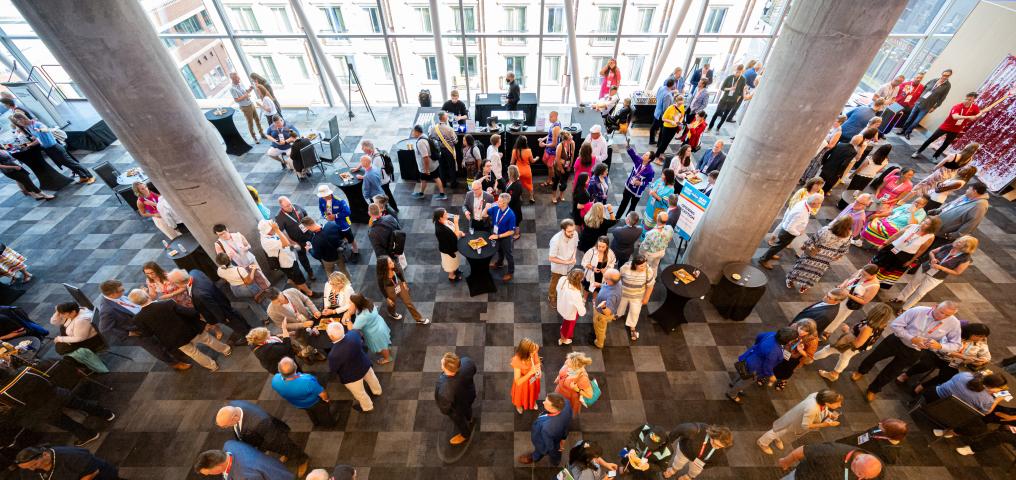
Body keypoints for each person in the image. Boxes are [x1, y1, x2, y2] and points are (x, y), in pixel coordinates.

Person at [851, 301, 962, 401]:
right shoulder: (917, 311)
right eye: (941, 312)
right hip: (897, 341)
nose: (942, 316)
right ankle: (861, 371)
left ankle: (873, 389)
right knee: (874, 357)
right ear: (935, 306)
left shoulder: (954, 323)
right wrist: (912, 338)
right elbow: (895, 325)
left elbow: (956, 345)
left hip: (915, 351)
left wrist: (940, 346)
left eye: (947, 315)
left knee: (892, 371)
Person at [128, 289, 231, 371]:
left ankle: (212, 366)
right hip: (189, 329)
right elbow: (188, 313)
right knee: (209, 340)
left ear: (136, 303)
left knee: (194, 353)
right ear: (147, 296)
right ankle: (226, 350)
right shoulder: (167, 303)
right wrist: (197, 315)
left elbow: (148, 333)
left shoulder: (138, 318)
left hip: (173, 340)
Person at [96, 279, 189, 369]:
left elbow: (128, 305)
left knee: (163, 338)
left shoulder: (116, 297)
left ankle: (178, 353)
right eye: (121, 290)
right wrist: (128, 333)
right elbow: (104, 329)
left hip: (144, 320)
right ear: (112, 294)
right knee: (155, 347)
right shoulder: (107, 310)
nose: (124, 291)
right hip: (136, 330)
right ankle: (174, 363)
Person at [215, 401, 309, 475]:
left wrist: (260, 450)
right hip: (264, 433)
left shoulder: (258, 422)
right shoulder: (232, 406)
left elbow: (271, 439)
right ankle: (287, 454)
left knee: (286, 447)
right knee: (283, 450)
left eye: (226, 425)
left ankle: (302, 459)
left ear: (235, 418)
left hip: (273, 438)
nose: (225, 428)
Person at [903, 322, 991, 395]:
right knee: (925, 365)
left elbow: (986, 355)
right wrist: (964, 357)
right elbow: (943, 349)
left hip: (954, 362)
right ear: (970, 333)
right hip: (937, 355)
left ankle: (921, 387)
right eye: (979, 336)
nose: (981, 339)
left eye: (983, 337)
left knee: (948, 376)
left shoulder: (981, 341)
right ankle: (905, 375)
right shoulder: (955, 334)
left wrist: (982, 361)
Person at [168, 269, 251, 346]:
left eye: (174, 283)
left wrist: (223, 319)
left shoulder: (198, 293)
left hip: (221, 310)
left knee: (233, 322)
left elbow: (214, 308)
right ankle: (247, 327)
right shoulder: (194, 272)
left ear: (179, 283)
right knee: (235, 314)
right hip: (221, 299)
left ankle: (247, 336)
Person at [815, 303, 896, 382]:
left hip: (851, 345)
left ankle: (810, 357)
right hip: (859, 347)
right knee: (844, 357)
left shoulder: (868, 328)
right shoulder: (881, 324)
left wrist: (847, 331)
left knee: (829, 349)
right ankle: (834, 374)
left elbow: (857, 344)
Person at [892, 236, 976, 311]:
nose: (957, 242)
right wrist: (932, 258)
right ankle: (900, 298)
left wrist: (941, 268)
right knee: (912, 284)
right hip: (926, 267)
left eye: (960, 242)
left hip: (937, 276)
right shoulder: (950, 246)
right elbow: (932, 252)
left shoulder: (965, 258)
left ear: (965, 247)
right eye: (959, 240)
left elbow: (957, 272)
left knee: (920, 292)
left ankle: (905, 308)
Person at [9, 113, 93, 184]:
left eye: (18, 121)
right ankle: (83, 176)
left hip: (55, 147)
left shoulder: (36, 124)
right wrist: (32, 142)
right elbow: (38, 138)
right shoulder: (30, 127)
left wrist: (40, 130)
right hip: (48, 148)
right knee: (66, 163)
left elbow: (46, 129)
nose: (19, 124)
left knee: (71, 163)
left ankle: (90, 176)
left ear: (22, 118)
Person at [757, 389, 843, 455]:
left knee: (782, 432)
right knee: (777, 431)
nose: (840, 405)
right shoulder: (812, 409)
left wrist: (829, 414)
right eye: (837, 403)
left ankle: (777, 438)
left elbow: (824, 409)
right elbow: (806, 426)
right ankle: (762, 443)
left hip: (796, 419)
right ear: (827, 403)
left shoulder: (819, 396)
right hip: (793, 422)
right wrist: (825, 424)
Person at [726, 326, 798, 404]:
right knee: (745, 382)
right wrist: (771, 375)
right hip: (755, 368)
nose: (793, 341)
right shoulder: (774, 352)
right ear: (788, 341)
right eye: (793, 340)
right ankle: (732, 394)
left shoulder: (772, 334)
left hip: (750, 357)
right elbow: (767, 366)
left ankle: (733, 383)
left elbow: (759, 336)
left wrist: (758, 346)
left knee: (741, 372)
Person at [785, 216, 852, 293]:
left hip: (814, 252)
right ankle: (804, 286)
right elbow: (843, 250)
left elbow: (813, 239)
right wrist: (836, 257)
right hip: (827, 257)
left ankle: (790, 280)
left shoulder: (826, 230)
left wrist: (805, 246)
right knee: (815, 272)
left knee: (802, 266)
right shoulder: (848, 237)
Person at [870, 216, 940, 289]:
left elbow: (921, 250)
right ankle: (867, 278)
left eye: (927, 224)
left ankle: (876, 286)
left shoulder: (930, 237)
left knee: (889, 271)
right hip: (891, 249)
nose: (923, 224)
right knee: (877, 264)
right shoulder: (912, 226)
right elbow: (896, 235)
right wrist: (884, 244)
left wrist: (911, 261)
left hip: (904, 256)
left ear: (932, 227)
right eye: (924, 221)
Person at [326, 323, 382, 413]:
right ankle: (377, 391)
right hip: (364, 364)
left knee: (360, 393)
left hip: (351, 376)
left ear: (331, 336)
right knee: (372, 379)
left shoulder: (333, 354)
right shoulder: (353, 334)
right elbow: (357, 334)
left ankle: (368, 407)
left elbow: (334, 369)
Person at [759, 194, 823, 270]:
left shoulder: (805, 202)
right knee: (778, 246)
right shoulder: (801, 213)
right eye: (819, 203)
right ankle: (763, 259)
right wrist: (799, 233)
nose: (820, 205)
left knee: (779, 246)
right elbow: (790, 228)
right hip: (787, 233)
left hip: (788, 231)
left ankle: (770, 254)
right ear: (813, 203)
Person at [913, 92, 982, 159]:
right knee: (931, 139)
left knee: (945, 144)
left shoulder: (974, 107)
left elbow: (978, 115)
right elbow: (955, 116)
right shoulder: (957, 106)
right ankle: (918, 151)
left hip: (956, 130)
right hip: (945, 127)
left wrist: (978, 115)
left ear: (973, 100)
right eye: (966, 99)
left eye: (970, 100)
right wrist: (968, 117)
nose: (967, 101)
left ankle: (935, 156)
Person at [272, 357, 334, 426]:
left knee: (310, 412)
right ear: (295, 367)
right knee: (323, 413)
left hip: (299, 404)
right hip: (314, 402)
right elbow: (322, 394)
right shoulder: (307, 380)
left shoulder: (275, 380)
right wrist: (327, 399)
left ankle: (316, 422)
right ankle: (329, 424)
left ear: (279, 370)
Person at [259, 220, 314, 297]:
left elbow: (283, 236)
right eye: (273, 229)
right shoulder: (267, 241)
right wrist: (277, 230)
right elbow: (285, 243)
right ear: (267, 230)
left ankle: (299, 288)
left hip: (289, 259)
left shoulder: (270, 234)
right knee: (298, 278)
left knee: (295, 277)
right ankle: (309, 293)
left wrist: (292, 243)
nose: (275, 229)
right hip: (286, 263)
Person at [265, 287, 321, 361]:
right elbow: (282, 325)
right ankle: (307, 354)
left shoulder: (292, 291)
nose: (280, 303)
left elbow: (306, 299)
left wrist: (315, 311)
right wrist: (302, 325)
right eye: (276, 302)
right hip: (297, 330)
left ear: (281, 292)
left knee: (315, 335)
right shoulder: (271, 311)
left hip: (307, 317)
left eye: (279, 300)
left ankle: (313, 351)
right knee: (304, 343)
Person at [927, 183, 990, 249]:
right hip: (936, 225)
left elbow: (971, 224)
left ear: (974, 191)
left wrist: (953, 235)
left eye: (969, 188)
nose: (967, 190)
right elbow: (950, 204)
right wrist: (937, 210)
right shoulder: (966, 196)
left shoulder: (980, 206)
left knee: (930, 248)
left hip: (943, 234)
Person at [517, 393, 572, 466]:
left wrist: (553, 451)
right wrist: (563, 438)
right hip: (557, 434)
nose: (543, 402)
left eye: (546, 403)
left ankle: (537, 458)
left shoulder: (547, 428)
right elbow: (566, 424)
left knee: (544, 450)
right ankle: (555, 459)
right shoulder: (567, 403)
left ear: (553, 409)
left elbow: (549, 446)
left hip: (543, 442)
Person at [777, 442, 883, 480]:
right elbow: (802, 450)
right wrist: (786, 461)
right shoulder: (832, 452)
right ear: (855, 460)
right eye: (860, 474)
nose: (861, 477)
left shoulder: (874, 465)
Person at [435, 352, 477, 445]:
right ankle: (469, 418)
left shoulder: (445, 389)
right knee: (468, 408)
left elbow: (445, 409)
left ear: (446, 368)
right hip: (469, 395)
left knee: (460, 421)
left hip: (457, 408)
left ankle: (465, 434)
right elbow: (474, 369)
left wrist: (448, 412)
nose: (441, 362)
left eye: (442, 363)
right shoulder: (467, 362)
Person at [663, 424, 733, 479]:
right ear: (712, 435)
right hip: (685, 451)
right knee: (678, 461)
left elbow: (715, 461)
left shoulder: (724, 446)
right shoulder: (696, 430)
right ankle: (673, 469)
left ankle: (689, 476)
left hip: (700, 461)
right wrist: (669, 442)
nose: (716, 447)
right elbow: (679, 429)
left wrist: (704, 466)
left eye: (720, 446)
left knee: (695, 471)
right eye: (715, 443)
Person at [194, 441, 295, 480]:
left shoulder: (244, 475)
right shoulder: (229, 444)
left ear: (218, 466)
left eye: (210, 473)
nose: (210, 475)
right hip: (274, 466)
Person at [374, 254, 428, 325]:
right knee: (392, 304)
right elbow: (381, 287)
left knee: (408, 302)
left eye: (391, 261)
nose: (392, 263)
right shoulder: (381, 276)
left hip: (398, 284)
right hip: (389, 289)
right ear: (384, 266)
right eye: (390, 263)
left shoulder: (394, 266)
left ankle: (419, 318)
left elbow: (399, 273)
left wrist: (403, 282)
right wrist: (387, 298)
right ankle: (392, 313)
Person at [899, 69, 953, 139]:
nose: (945, 77)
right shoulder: (933, 80)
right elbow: (923, 89)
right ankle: (903, 130)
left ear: (950, 76)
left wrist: (935, 107)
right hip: (919, 102)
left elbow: (942, 98)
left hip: (928, 106)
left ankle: (908, 132)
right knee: (910, 118)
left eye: (947, 75)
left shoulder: (947, 86)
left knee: (916, 121)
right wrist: (917, 99)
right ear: (942, 73)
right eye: (944, 75)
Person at [14, 445, 120, 480]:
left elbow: (94, 472)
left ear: (45, 454)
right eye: (26, 468)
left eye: (34, 465)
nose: (32, 469)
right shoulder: (27, 470)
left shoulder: (73, 456)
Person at [275, 196, 317, 282]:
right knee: (302, 257)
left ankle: (321, 260)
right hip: (297, 240)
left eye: (290, 204)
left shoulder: (297, 206)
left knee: (316, 248)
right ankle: (310, 272)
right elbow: (282, 233)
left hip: (308, 234)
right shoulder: (279, 217)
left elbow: (306, 215)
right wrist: (292, 242)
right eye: (287, 206)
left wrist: (311, 227)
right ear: (281, 207)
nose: (290, 207)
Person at [860, 196, 928, 248]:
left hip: (896, 227)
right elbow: (891, 212)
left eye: (919, 203)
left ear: (923, 205)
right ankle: (862, 239)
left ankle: (869, 244)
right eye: (915, 201)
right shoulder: (907, 205)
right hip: (887, 220)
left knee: (875, 226)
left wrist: (912, 212)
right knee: (873, 219)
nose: (916, 204)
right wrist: (878, 215)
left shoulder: (922, 213)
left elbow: (912, 223)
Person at [342, 294, 392, 364]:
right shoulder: (367, 301)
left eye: (351, 302)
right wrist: (351, 311)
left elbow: (352, 330)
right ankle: (387, 348)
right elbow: (353, 311)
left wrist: (347, 319)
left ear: (356, 304)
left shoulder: (363, 316)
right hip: (379, 324)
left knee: (381, 347)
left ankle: (387, 358)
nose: (349, 303)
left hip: (375, 333)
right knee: (383, 342)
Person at [772, 319, 820, 391]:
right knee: (776, 362)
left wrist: (801, 350)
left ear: (810, 332)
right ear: (798, 325)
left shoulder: (813, 340)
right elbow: (785, 333)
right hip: (785, 349)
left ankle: (783, 380)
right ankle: (769, 373)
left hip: (794, 358)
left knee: (788, 370)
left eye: (806, 331)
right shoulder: (794, 326)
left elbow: (809, 356)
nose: (801, 332)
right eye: (800, 328)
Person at [835, 419, 909, 465]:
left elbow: (883, 462)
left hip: (857, 452)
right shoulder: (882, 430)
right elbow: (870, 432)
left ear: (889, 433)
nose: (879, 424)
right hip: (854, 441)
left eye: (883, 426)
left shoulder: (889, 451)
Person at [617, 254, 655, 342]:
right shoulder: (626, 267)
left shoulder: (648, 271)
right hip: (623, 293)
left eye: (645, 265)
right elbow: (618, 277)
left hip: (637, 296)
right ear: (635, 265)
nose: (644, 267)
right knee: (620, 306)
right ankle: (618, 314)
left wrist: (646, 298)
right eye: (642, 266)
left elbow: (650, 285)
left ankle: (632, 327)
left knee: (635, 312)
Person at [358, 140, 398, 212]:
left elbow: (374, 173)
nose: (362, 150)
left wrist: (363, 177)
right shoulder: (372, 152)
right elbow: (366, 159)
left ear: (368, 148)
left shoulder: (377, 159)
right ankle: (392, 208)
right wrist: (357, 168)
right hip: (381, 179)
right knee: (387, 194)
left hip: (383, 181)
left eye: (363, 148)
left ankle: (392, 209)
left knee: (386, 195)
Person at [548, 218, 579, 310]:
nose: (572, 233)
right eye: (569, 231)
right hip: (558, 267)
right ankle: (551, 296)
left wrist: (574, 257)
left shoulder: (575, 234)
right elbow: (551, 258)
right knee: (555, 281)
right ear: (563, 230)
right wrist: (566, 262)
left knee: (565, 280)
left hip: (569, 265)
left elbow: (575, 246)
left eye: (573, 230)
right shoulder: (556, 240)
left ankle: (561, 294)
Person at [410, 125, 448, 200]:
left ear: (417, 132)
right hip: (434, 163)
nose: (412, 133)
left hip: (427, 166)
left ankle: (423, 194)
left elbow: (425, 156)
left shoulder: (420, 142)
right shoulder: (424, 136)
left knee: (426, 179)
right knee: (434, 178)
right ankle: (441, 194)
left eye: (413, 131)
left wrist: (426, 169)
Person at [618, 148, 656, 217]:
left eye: (646, 155)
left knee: (632, 207)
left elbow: (649, 182)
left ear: (649, 159)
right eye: (645, 154)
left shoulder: (650, 171)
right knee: (623, 203)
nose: (644, 155)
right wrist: (628, 147)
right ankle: (617, 218)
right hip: (628, 187)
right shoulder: (638, 160)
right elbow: (633, 154)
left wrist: (640, 183)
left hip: (637, 192)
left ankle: (628, 221)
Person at [488, 193, 517, 282]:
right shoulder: (496, 208)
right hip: (496, 235)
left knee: (509, 255)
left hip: (505, 237)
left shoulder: (511, 215)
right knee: (499, 250)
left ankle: (510, 272)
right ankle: (500, 263)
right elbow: (486, 214)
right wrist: (486, 207)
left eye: (499, 201)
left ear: (504, 203)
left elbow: (512, 231)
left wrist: (498, 236)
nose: (497, 201)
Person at [590, 268, 621, 349]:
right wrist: (600, 285)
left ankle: (599, 343)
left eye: (605, 277)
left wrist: (603, 306)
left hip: (601, 314)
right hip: (601, 310)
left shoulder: (612, 296)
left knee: (599, 328)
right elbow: (607, 285)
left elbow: (607, 313)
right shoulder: (617, 282)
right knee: (602, 327)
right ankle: (601, 335)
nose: (604, 277)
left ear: (610, 281)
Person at [708, 64, 745, 132]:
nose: (738, 73)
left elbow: (741, 92)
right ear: (735, 70)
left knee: (725, 115)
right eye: (737, 71)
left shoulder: (743, 79)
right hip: (724, 98)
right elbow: (722, 88)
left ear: (742, 71)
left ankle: (718, 127)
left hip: (732, 100)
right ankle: (710, 126)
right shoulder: (729, 77)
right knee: (717, 112)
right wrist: (730, 88)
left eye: (740, 72)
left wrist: (736, 100)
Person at [510, 338, 542, 414]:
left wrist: (539, 371)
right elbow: (518, 381)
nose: (535, 353)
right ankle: (519, 405)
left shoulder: (533, 351)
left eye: (535, 351)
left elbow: (537, 362)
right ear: (525, 352)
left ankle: (532, 401)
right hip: (523, 382)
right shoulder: (517, 360)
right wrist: (530, 373)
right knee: (520, 395)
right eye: (532, 352)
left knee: (533, 392)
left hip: (533, 379)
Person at [556, 268, 587, 345]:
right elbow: (581, 310)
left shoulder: (563, 279)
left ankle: (563, 328)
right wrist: (583, 310)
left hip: (561, 304)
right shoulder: (575, 293)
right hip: (570, 312)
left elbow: (557, 289)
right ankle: (564, 339)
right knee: (568, 326)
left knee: (565, 321)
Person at [433, 208, 465, 282]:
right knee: (451, 264)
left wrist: (460, 232)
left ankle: (456, 270)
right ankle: (452, 276)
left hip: (453, 246)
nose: (447, 215)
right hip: (448, 250)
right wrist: (456, 223)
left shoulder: (444, 221)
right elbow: (455, 235)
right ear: (440, 217)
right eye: (445, 214)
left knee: (455, 261)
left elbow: (453, 231)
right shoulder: (440, 230)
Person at [431, 112, 459, 188]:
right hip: (449, 150)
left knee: (441, 167)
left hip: (439, 150)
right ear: (445, 118)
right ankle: (453, 183)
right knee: (451, 167)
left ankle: (443, 183)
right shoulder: (449, 129)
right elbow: (455, 141)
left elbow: (431, 138)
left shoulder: (433, 129)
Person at [649, 78, 676, 145]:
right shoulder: (668, 95)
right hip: (661, 115)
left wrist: (672, 92)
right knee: (662, 130)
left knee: (653, 127)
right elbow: (665, 108)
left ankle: (651, 140)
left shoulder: (661, 88)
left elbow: (658, 96)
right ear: (672, 85)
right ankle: (659, 144)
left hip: (657, 111)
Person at [550, 131, 575, 204]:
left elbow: (572, 155)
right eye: (570, 139)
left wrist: (570, 165)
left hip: (567, 166)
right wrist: (560, 168)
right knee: (556, 181)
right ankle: (554, 196)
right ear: (565, 140)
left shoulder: (572, 143)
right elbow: (557, 159)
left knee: (564, 182)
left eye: (571, 138)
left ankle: (561, 195)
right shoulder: (560, 146)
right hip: (558, 166)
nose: (571, 140)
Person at [510, 135, 535, 203]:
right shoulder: (528, 151)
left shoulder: (514, 151)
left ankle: (520, 197)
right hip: (527, 171)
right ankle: (531, 197)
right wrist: (537, 158)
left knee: (518, 184)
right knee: (529, 184)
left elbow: (511, 162)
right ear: (525, 142)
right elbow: (532, 161)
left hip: (518, 171)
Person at [505, 165, 524, 239]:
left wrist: (506, 204)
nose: (507, 172)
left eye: (508, 171)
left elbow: (513, 198)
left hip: (514, 206)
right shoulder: (510, 180)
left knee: (516, 220)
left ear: (511, 173)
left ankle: (517, 233)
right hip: (510, 204)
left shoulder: (517, 185)